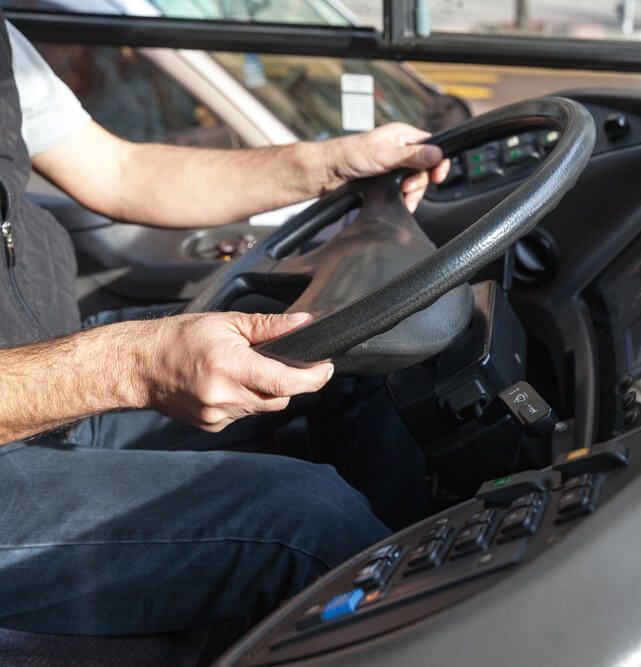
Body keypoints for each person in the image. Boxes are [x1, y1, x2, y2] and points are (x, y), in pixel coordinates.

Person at [0, 12, 449, 652]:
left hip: (41, 368)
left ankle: (427, 566)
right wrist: (133, 365)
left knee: (354, 352)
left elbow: (119, 170)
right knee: (305, 523)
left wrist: (327, 164)